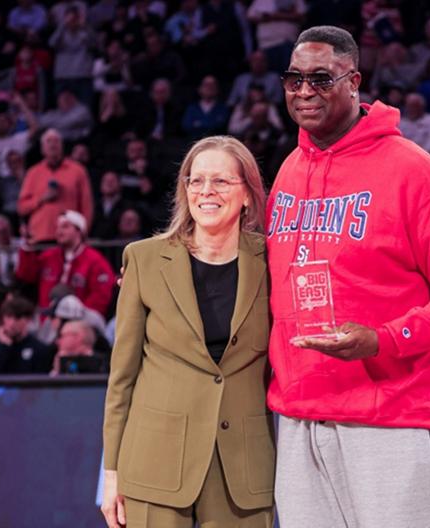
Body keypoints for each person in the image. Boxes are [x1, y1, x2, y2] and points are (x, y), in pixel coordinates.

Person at [266, 26, 430, 527]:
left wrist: (385, 340)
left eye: (321, 78)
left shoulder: (414, 170)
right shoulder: (289, 170)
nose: (304, 91)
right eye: (294, 79)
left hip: (390, 417)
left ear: (354, 81)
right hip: (300, 416)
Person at [101, 136, 274, 528]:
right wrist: (110, 474)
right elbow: (122, 379)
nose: (206, 191)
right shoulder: (144, 260)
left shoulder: (274, 260)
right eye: (196, 181)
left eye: (221, 181)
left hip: (242, 469)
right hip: (154, 464)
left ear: (248, 195)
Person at [15, 210, 115, 316]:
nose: (59, 231)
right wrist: (28, 247)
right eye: (57, 227)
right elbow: (26, 276)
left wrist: (79, 316)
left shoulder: (95, 260)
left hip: (82, 319)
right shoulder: (48, 256)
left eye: (65, 227)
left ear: (79, 231)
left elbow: (100, 296)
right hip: (47, 318)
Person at [17, 128, 94, 243]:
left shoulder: (78, 171)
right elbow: (22, 207)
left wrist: (84, 231)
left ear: (62, 146)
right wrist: (42, 198)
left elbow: (86, 205)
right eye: (49, 141)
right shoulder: (33, 173)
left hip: (69, 237)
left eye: (56, 141)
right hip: (41, 235)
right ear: (42, 148)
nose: (53, 144)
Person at [0, 297, 52, 374]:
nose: (12, 323)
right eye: (9, 317)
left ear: (28, 319)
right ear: (3, 318)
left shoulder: (39, 349)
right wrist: (4, 346)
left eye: (17, 318)